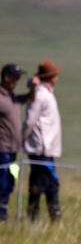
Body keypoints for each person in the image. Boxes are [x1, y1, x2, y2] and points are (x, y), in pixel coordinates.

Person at [22, 60, 62, 223]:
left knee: (50, 183)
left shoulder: (45, 93)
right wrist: (22, 138)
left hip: (47, 148)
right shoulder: (39, 94)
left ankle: (52, 216)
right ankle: (34, 216)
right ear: (51, 77)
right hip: (40, 147)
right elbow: (30, 120)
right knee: (39, 184)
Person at [0, 64, 32, 222]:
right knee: (1, 181)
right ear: (7, 77)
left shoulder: (14, 97)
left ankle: (3, 213)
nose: (18, 81)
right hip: (2, 150)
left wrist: (34, 86)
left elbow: (30, 98)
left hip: (13, 150)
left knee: (10, 182)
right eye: (15, 77)